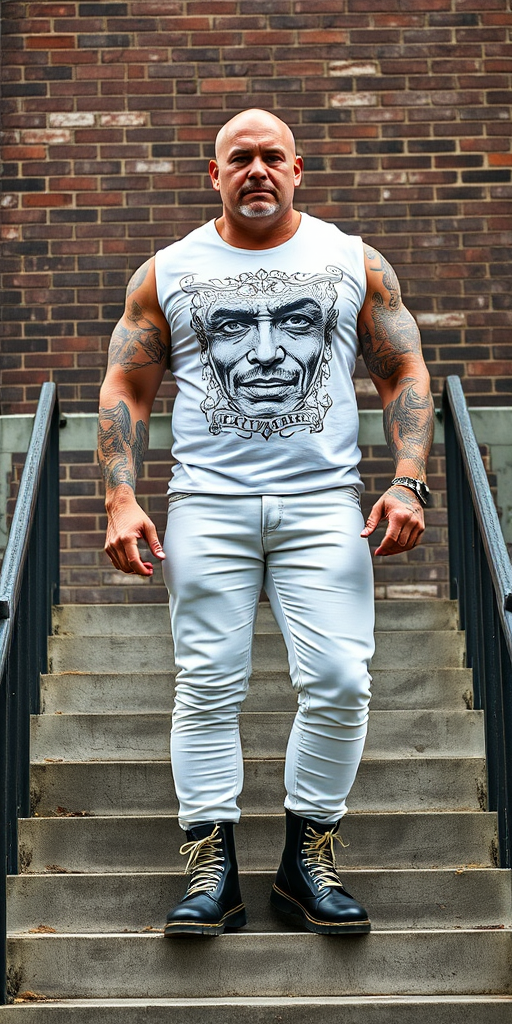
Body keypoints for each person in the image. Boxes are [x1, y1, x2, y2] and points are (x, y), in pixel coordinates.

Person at [98, 108, 434, 938]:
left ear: (297, 169)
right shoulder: (167, 271)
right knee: (207, 685)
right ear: (212, 174)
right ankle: (213, 870)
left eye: (271, 157)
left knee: (342, 680)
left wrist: (409, 482)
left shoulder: (352, 261)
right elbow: (125, 387)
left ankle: (305, 861)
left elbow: (403, 370)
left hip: (325, 506)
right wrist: (120, 496)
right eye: (238, 158)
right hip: (206, 505)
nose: (256, 169)